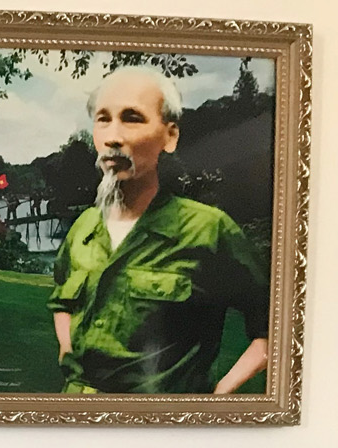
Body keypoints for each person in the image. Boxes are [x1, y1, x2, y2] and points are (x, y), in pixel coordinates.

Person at [49, 67, 270, 395]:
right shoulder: (84, 226)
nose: (113, 137)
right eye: (103, 119)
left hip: (163, 422)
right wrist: (67, 352)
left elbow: (275, 326)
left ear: (170, 136)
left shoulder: (208, 230)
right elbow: (62, 300)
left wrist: (219, 396)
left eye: (132, 118)